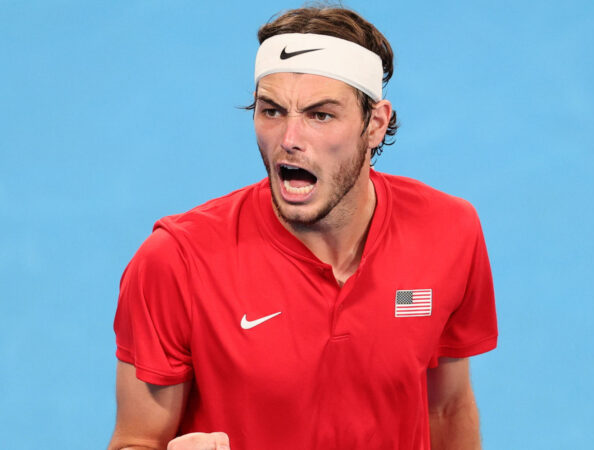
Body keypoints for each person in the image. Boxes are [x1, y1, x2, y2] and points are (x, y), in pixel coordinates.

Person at [109, 6, 497, 450]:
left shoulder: (449, 231)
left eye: (320, 115)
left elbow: (446, 407)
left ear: (375, 124)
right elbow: (135, 439)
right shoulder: (176, 261)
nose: (289, 138)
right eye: (271, 111)